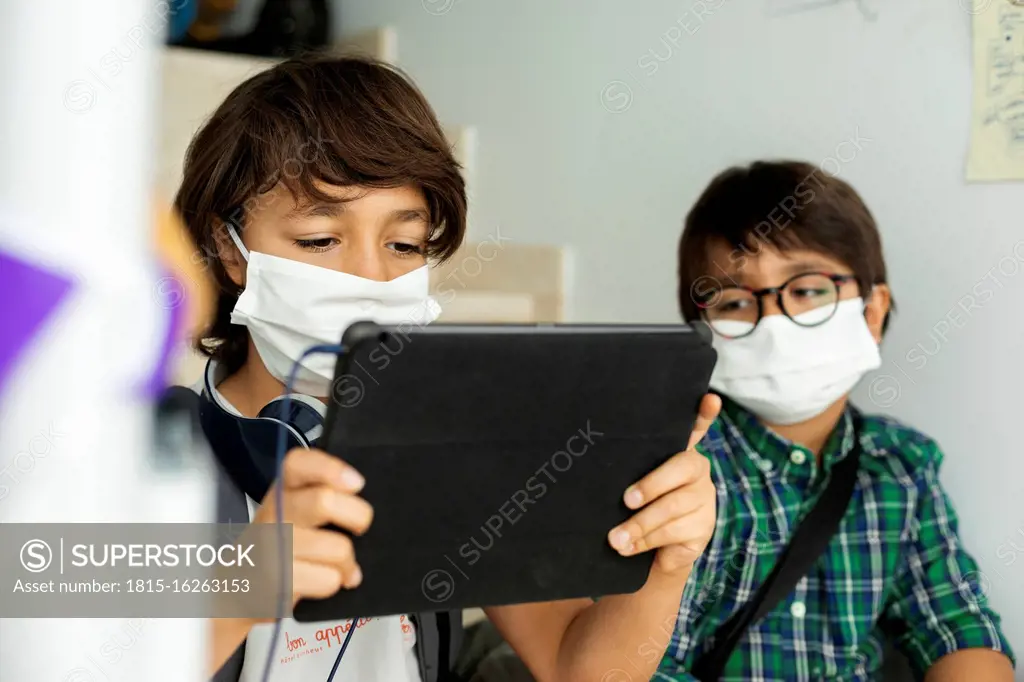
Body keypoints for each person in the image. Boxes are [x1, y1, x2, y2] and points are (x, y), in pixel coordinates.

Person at [173, 52, 720, 682]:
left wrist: (665, 568)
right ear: (228, 248)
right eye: (321, 239)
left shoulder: (453, 442)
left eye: (403, 244)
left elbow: (580, 669)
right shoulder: (135, 460)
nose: (372, 277)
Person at [660, 160, 1016, 681]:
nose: (774, 323)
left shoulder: (902, 465)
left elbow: (958, 629)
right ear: (702, 332)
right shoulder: (678, 468)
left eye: (806, 290)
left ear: (872, 313)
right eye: (734, 301)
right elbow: (636, 665)